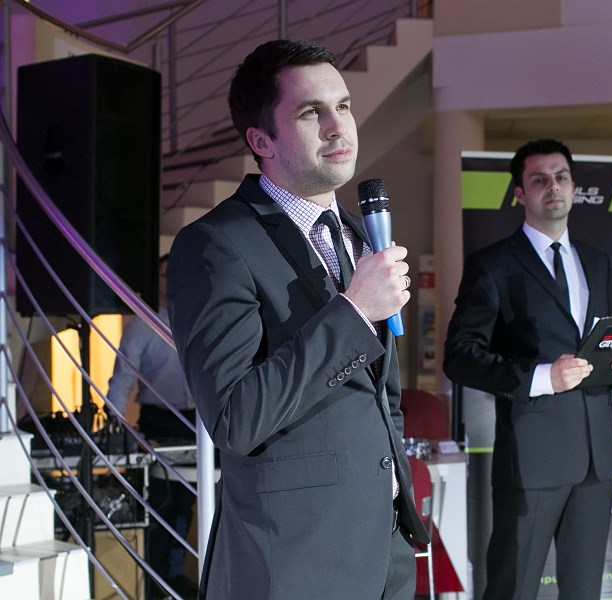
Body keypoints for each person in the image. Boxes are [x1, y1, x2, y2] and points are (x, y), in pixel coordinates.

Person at [166, 39, 428, 600]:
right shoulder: (215, 244)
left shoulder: (359, 235)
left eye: (344, 105)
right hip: (292, 561)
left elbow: (381, 395)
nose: (338, 127)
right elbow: (235, 418)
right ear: (261, 141)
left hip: (385, 552)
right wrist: (354, 312)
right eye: (312, 112)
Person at [443, 139, 612, 600]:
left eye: (561, 177)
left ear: (573, 187)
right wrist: (541, 378)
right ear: (520, 193)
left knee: (584, 592)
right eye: (539, 179)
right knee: (512, 589)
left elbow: (598, 345)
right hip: (531, 460)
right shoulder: (492, 265)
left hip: (595, 459)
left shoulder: (596, 262)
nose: (553, 186)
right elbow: (460, 356)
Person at [105, 253, 197, 600]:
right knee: (159, 506)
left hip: (196, 422)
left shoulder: (198, 317)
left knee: (186, 504)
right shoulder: (141, 326)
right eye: (164, 274)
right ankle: (157, 585)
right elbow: (121, 378)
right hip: (158, 421)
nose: (171, 280)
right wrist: (115, 428)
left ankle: (174, 576)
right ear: (154, 281)